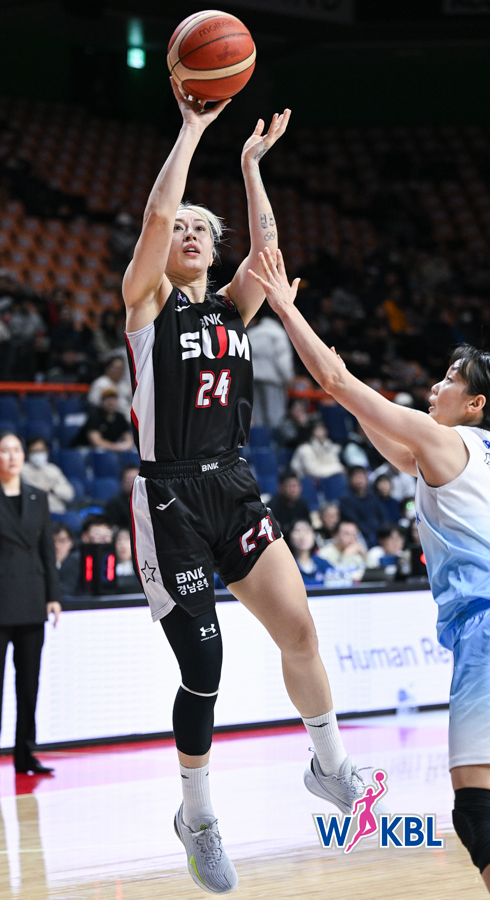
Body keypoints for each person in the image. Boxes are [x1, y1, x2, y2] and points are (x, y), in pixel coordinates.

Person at [122, 81, 384, 895]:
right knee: (205, 664)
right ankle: (197, 815)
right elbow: (155, 218)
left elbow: (267, 259)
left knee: (298, 628)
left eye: (203, 229)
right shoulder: (147, 306)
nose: (189, 233)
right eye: (183, 228)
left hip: (231, 484)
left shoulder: (234, 311)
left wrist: (251, 166)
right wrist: (191, 130)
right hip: (169, 498)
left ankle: (330, 766)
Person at [248, 243, 490, 890]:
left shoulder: (442, 439)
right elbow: (379, 430)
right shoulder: (466, 450)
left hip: (485, 629)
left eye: (449, 380)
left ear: (474, 403)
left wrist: (285, 309)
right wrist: (353, 397)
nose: (435, 386)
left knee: (478, 812)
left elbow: (336, 382)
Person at [0, 430, 62, 779]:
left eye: (17, 450)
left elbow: (47, 551)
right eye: (4, 451)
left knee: (29, 682)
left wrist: (53, 595)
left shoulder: (38, 496)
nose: (13, 456)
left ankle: (26, 754)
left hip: (32, 597)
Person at [247, 308, 294, 427]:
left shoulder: (252, 333)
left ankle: (261, 439)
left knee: (257, 417)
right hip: (272, 382)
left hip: (253, 380)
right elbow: (283, 361)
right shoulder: (278, 333)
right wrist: (289, 379)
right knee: (275, 417)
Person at [20, 436, 75, 513]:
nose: (39, 454)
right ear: (27, 453)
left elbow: (69, 494)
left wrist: (52, 489)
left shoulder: (53, 469)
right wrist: (50, 490)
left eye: (41, 451)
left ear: (47, 451)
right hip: (36, 513)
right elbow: (35, 494)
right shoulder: (22, 470)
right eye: (35, 451)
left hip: (59, 512)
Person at [339, 465, 388, 548]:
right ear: (350, 479)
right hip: (361, 536)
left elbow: (382, 516)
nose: (359, 480)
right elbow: (354, 521)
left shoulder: (374, 497)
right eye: (356, 477)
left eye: (361, 476)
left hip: (379, 533)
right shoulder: (345, 500)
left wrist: (383, 532)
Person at [76, 388, 134, 452]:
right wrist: (115, 447)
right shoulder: (94, 415)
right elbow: (96, 441)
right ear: (102, 401)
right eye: (108, 399)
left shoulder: (120, 417)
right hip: (87, 448)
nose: (111, 402)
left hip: (110, 450)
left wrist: (123, 446)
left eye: (113, 399)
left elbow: (129, 440)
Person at [287, 519, 335, 586]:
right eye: (297, 531)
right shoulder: (286, 565)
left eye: (307, 531)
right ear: (290, 536)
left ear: (314, 536)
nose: (302, 536)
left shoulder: (323, 564)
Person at [267, 469, 311, 536]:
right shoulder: (272, 506)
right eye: (290, 486)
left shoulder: (302, 504)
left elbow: (308, 526)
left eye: (296, 485)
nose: (294, 490)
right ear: (280, 487)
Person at [88, 355, 133, 420]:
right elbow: (94, 403)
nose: (119, 371)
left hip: (128, 417)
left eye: (121, 368)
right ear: (108, 368)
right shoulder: (100, 383)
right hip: (109, 418)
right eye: (116, 368)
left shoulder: (124, 385)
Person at [104, 464, 139, 529]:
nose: (132, 483)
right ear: (121, 482)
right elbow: (112, 526)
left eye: (135, 479)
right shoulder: (114, 504)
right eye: (128, 480)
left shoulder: (149, 500)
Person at [53, 522, 81, 596]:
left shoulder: (78, 565)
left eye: (61, 541)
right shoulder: (38, 565)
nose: (56, 545)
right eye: (52, 541)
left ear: (70, 543)